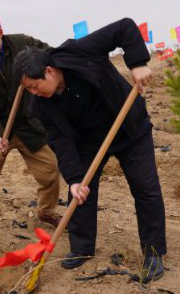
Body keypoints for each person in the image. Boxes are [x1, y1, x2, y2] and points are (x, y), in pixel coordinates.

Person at [12, 17, 166, 280]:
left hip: (129, 127)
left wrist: (138, 63)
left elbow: (125, 27)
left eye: (35, 87)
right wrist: (73, 179)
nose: (34, 93)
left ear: (49, 71)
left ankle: (153, 251)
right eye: (28, 90)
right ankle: (82, 248)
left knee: (145, 188)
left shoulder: (77, 52)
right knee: (80, 191)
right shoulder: (39, 105)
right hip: (89, 140)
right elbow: (60, 141)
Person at [0, 10, 62, 251]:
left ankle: (47, 212)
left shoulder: (23, 44)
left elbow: (52, 56)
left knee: (50, 170)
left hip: (28, 123)